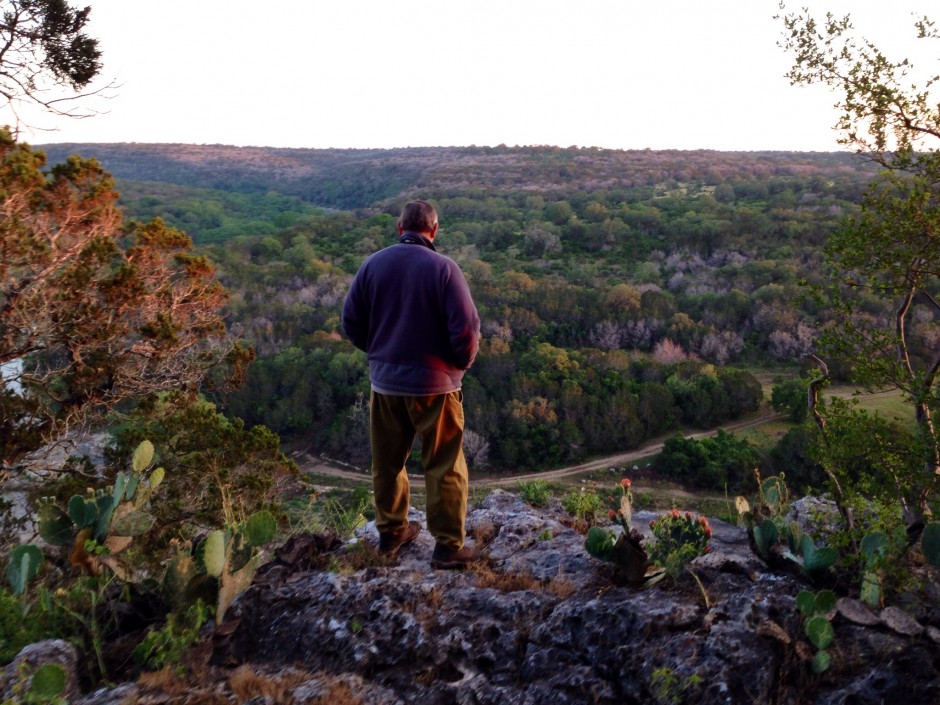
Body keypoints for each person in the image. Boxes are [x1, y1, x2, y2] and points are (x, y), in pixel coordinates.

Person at [342, 200, 481, 569]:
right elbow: (467, 333)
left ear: (399, 226)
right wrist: (457, 368)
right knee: (445, 464)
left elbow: (351, 323)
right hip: (436, 387)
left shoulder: (373, 265)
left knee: (387, 462)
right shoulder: (444, 270)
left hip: (385, 386)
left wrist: (380, 355)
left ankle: (390, 534)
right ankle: (449, 547)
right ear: (434, 230)